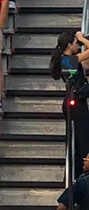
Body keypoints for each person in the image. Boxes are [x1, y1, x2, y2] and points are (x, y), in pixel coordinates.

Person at [49, 31, 89, 178]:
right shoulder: (66, 60)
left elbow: (84, 65)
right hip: (76, 103)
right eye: (75, 43)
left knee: (80, 140)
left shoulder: (69, 61)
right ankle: (78, 174)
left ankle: (79, 172)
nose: (78, 45)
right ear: (69, 45)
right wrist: (82, 38)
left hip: (76, 102)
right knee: (83, 141)